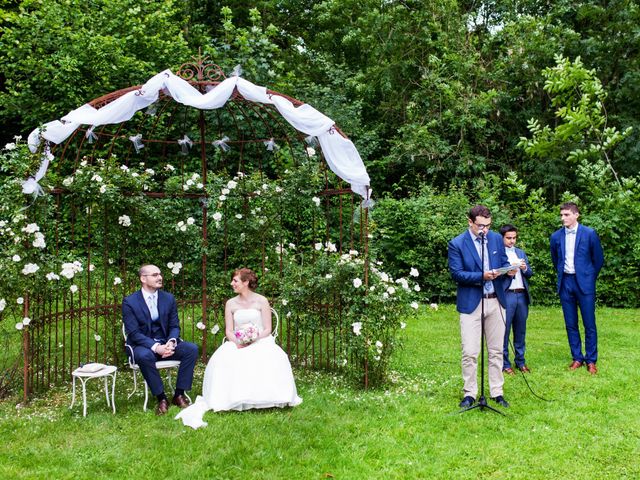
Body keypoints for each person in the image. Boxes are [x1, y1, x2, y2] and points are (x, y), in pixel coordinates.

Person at [176, 268, 302, 429]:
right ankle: (232, 397)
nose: (232, 284)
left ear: (246, 282)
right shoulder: (231, 303)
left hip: (260, 340)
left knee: (268, 357)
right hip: (237, 341)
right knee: (228, 358)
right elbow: (229, 330)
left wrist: (253, 338)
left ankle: (266, 397)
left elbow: (267, 329)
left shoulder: (261, 301)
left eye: (235, 281)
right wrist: (238, 342)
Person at [448, 205, 513, 409]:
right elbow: (457, 274)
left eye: (488, 225)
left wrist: (506, 272)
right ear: (470, 222)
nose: (484, 229)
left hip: (496, 300)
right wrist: (481, 276)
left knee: (495, 351)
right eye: (480, 225)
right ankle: (470, 393)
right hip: (472, 303)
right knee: (470, 351)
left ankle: (497, 391)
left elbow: (503, 261)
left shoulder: (494, 239)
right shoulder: (457, 243)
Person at [122, 264, 198, 415]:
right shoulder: (130, 302)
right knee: (144, 356)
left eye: (160, 274)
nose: (160, 277)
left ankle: (179, 394)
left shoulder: (168, 298)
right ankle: (161, 398)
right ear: (143, 279)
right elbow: (134, 333)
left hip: (166, 343)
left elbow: (174, 326)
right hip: (143, 345)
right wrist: (156, 347)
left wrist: (171, 342)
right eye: (155, 275)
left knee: (191, 349)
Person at [550, 202, 604, 374]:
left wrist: (589, 277)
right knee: (570, 323)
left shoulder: (589, 234)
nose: (563, 218)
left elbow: (598, 260)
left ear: (576, 215)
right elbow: (555, 259)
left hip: (585, 284)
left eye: (566, 215)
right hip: (566, 282)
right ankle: (577, 357)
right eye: (561, 215)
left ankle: (591, 360)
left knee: (589, 323)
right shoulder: (556, 237)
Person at [499, 224, 533, 375]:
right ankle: (505, 363)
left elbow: (530, 273)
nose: (512, 241)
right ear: (502, 238)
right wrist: (508, 272)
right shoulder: (498, 254)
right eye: (508, 238)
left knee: (520, 330)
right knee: (504, 331)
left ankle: (520, 361)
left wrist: (524, 268)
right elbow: (495, 274)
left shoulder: (520, 252)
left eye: (514, 238)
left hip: (521, 294)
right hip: (507, 294)